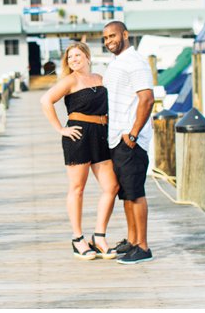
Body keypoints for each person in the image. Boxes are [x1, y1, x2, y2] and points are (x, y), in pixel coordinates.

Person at [40, 42, 120, 260]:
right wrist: (60, 129)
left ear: (87, 56)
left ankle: (99, 236)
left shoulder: (100, 78)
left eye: (77, 55)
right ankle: (78, 239)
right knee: (77, 188)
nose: (73, 59)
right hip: (79, 135)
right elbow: (46, 100)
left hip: (102, 134)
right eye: (69, 57)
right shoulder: (70, 81)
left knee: (111, 186)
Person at [102, 21, 155, 264]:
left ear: (125, 34)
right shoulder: (117, 63)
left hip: (130, 139)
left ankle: (143, 246)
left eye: (112, 35)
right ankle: (132, 240)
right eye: (105, 38)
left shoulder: (135, 62)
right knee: (126, 193)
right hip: (116, 138)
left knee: (135, 193)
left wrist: (133, 133)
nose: (109, 41)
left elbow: (147, 99)